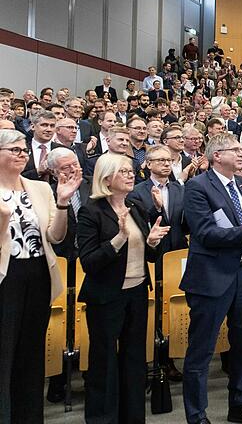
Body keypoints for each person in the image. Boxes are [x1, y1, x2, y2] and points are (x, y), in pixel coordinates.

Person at [181, 134, 242, 424]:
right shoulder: (198, 186)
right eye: (234, 150)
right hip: (211, 277)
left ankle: (239, 405)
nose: (241, 154)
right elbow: (205, 233)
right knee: (201, 349)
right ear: (216, 156)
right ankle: (196, 415)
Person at [76, 153, 168, 422]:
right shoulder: (91, 211)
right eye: (123, 172)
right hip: (106, 296)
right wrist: (119, 238)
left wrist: (151, 242)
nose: (130, 175)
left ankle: (132, 417)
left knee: (134, 358)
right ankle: (102, 418)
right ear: (107, 178)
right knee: (104, 361)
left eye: (130, 171)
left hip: (137, 292)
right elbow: (90, 262)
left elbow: (149, 256)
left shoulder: (135, 206)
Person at [0, 129, 80, 423]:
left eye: (24, 150)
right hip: (4, 277)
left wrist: (62, 202)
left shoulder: (39, 188)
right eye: (15, 150)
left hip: (38, 274)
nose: (22, 155)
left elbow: (55, 237)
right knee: (4, 354)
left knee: (31, 354)